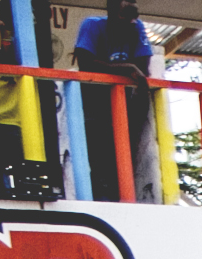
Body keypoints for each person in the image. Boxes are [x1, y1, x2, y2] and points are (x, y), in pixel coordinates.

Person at [68, 0, 154, 202]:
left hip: (125, 109)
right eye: (126, 15)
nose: (132, 22)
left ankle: (121, 199)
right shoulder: (92, 25)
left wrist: (124, 67)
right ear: (112, 13)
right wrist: (126, 68)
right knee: (98, 160)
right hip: (94, 108)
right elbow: (85, 63)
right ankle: (101, 199)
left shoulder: (136, 26)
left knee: (125, 160)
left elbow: (143, 67)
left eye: (135, 15)